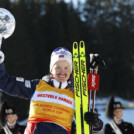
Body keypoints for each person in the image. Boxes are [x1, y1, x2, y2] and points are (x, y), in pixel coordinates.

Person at [0, 47, 103, 134]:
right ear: (51, 69)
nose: (62, 72)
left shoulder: (75, 95)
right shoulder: (37, 86)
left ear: (71, 70)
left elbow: (86, 126)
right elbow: (4, 82)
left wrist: (96, 123)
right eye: (58, 67)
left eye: (66, 67)